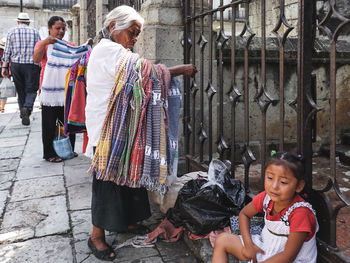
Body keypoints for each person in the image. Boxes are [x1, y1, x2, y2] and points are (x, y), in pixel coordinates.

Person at [85, 5, 197, 261]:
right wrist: (180, 69)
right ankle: (96, 236)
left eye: (137, 34)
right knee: (106, 180)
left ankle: (131, 221)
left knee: (126, 173)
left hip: (119, 124)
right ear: (113, 27)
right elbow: (145, 73)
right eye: (132, 32)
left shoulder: (115, 50)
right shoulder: (108, 50)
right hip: (107, 126)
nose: (134, 39)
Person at [212, 151, 318, 263]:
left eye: (283, 182)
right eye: (270, 178)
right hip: (265, 249)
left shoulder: (301, 213)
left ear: (299, 186)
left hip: (289, 260)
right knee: (222, 240)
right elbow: (244, 214)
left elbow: (287, 257)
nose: (274, 186)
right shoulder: (266, 198)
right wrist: (249, 245)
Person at [33, 16, 87, 163]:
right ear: (50, 28)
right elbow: (36, 60)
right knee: (49, 123)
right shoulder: (43, 44)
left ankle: (69, 149)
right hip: (49, 91)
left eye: (63, 28)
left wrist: (86, 47)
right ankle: (49, 153)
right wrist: (45, 42)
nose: (61, 31)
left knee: (68, 121)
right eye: (57, 28)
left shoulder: (68, 45)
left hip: (66, 91)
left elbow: (79, 56)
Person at [1, 12, 41, 125]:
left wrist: (4, 67)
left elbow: (7, 51)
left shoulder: (11, 32)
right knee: (32, 89)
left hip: (16, 65)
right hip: (31, 65)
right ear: (28, 22)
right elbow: (39, 49)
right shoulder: (35, 32)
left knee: (21, 90)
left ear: (18, 21)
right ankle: (27, 109)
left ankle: (23, 112)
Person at [0, 37, 7, 113]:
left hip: (2, 73)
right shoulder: (5, 52)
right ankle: (2, 107)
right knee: (4, 90)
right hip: (4, 73)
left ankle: (1, 107)